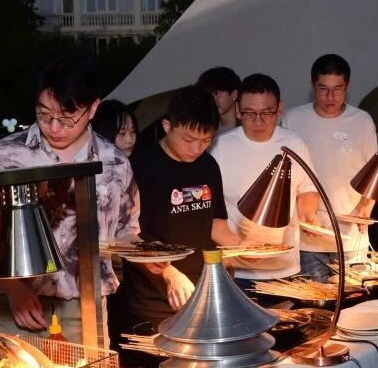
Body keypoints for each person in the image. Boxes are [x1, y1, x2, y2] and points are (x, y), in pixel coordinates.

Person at [0, 53, 140, 336]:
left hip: (86, 310)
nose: (54, 128)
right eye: (44, 114)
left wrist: (151, 256)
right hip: (20, 308)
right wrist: (13, 289)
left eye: (66, 119)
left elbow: (127, 228)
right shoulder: (4, 157)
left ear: (92, 109)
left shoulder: (114, 161)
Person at [111, 86, 245, 339]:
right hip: (151, 302)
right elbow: (128, 237)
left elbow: (215, 224)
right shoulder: (140, 167)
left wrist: (243, 246)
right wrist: (168, 272)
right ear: (167, 126)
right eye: (188, 139)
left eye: (205, 140)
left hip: (199, 294)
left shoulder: (208, 165)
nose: (196, 148)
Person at [211, 73, 318, 288]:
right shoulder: (220, 146)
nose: (258, 121)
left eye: (266, 113)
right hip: (237, 269)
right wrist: (235, 246)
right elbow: (211, 212)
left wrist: (308, 214)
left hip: (284, 268)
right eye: (250, 113)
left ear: (279, 109)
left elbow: (307, 188)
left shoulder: (294, 144)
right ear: (238, 110)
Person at [282, 54, 378, 279]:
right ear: (312, 86)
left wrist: (367, 206)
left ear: (348, 86)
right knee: (312, 300)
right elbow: (286, 176)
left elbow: (374, 175)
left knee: (354, 299)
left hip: (351, 237)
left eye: (337, 89)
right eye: (323, 89)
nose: (330, 97)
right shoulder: (293, 120)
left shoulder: (362, 121)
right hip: (307, 239)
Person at [196, 66, 241, 132]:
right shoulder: (203, 130)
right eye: (208, 94)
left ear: (234, 94)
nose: (212, 99)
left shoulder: (247, 128)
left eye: (217, 93)